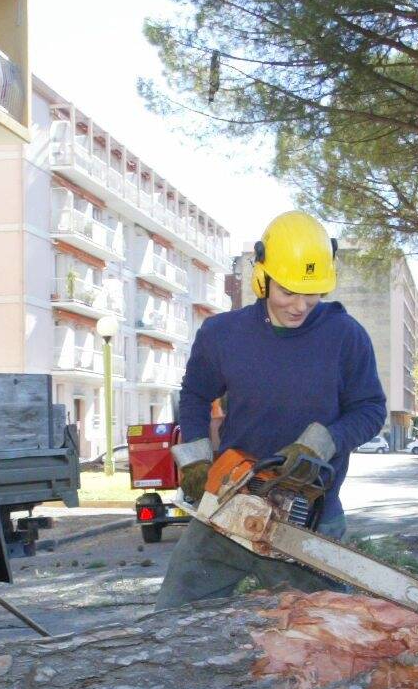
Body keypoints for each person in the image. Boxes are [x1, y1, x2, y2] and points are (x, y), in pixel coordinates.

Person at [158, 211, 387, 606]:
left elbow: (370, 410)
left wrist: (321, 444)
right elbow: (195, 394)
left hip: (308, 517)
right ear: (263, 276)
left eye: (312, 293)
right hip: (229, 505)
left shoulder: (345, 336)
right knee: (173, 615)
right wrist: (195, 459)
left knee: (327, 634)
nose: (301, 305)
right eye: (288, 292)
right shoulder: (222, 335)